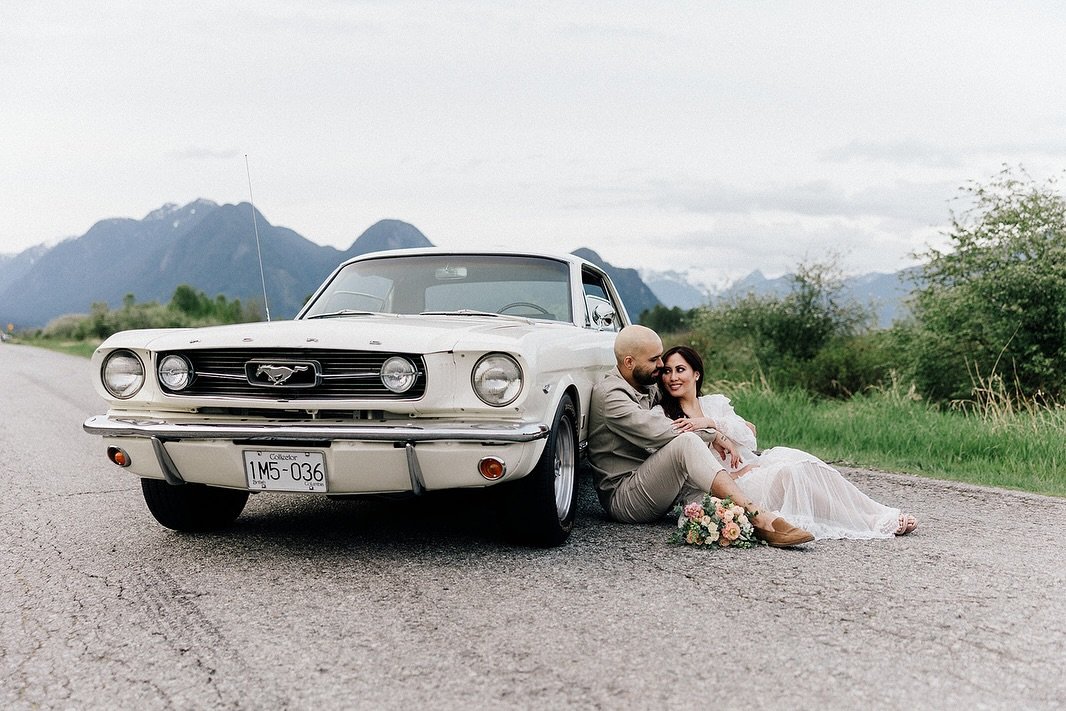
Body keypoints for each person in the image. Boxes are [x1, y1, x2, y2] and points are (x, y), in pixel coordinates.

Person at [657, 344, 918, 539]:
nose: (672, 377)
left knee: (803, 463)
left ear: (696, 374)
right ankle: (869, 522)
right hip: (730, 486)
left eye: (680, 370)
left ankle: (871, 514)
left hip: (754, 466)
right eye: (667, 371)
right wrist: (734, 472)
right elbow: (686, 467)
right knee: (789, 474)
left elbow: (749, 436)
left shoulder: (714, 404)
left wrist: (711, 424)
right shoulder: (666, 415)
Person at [587, 325, 815, 547]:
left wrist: (727, 424)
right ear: (629, 362)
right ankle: (758, 515)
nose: (660, 365)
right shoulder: (611, 396)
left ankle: (748, 522)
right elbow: (660, 433)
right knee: (686, 442)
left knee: (713, 505)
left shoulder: (645, 384)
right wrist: (713, 433)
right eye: (654, 359)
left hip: (654, 481)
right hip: (626, 497)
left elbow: (683, 400)